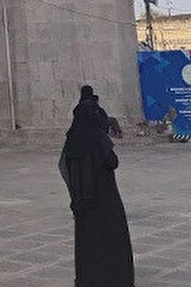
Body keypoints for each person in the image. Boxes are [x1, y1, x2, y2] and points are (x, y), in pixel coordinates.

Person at [59, 96, 134, 287]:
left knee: (88, 243)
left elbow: (64, 166)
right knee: (111, 240)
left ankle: (89, 279)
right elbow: (112, 162)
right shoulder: (98, 137)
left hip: (83, 203)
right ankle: (115, 279)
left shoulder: (72, 139)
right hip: (105, 199)